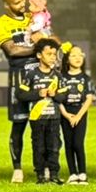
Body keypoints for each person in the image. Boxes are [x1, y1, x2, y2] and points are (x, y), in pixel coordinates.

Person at [0, 0, 37, 184]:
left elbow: (51, 38)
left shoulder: (34, 18)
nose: (23, 4)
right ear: (6, 5)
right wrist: (38, 47)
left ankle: (42, 167)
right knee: (19, 124)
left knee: (42, 125)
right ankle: (17, 168)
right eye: (17, 2)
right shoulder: (0, 24)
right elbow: (12, 50)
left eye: (23, 0)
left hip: (39, 75)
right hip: (18, 77)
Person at [17, 38, 65, 184]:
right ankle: (40, 175)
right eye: (49, 54)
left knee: (54, 146)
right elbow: (20, 94)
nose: (52, 57)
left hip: (54, 117)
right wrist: (38, 94)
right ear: (39, 55)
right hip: (37, 117)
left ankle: (54, 174)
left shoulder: (57, 75)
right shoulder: (31, 75)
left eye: (54, 54)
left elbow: (63, 96)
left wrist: (54, 95)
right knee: (39, 147)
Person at [56, 46, 94, 184]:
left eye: (80, 55)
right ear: (67, 60)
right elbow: (58, 98)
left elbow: (89, 98)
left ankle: (82, 173)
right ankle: (72, 173)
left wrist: (78, 116)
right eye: (73, 55)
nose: (78, 58)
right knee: (69, 143)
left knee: (78, 143)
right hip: (65, 113)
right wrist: (66, 114)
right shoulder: (61, 78)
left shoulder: (85, 78)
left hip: (80, 113)